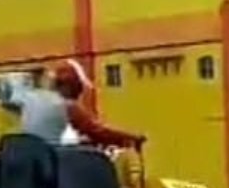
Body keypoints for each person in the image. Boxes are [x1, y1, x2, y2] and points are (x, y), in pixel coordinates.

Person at [13, 60, 144, 152]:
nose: (79, 94)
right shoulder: (66, 106)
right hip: (57, 167)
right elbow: (99, 132)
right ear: (69, 85)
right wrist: (132, 138)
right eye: (77, 87)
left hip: (35, 162)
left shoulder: (33, 101)